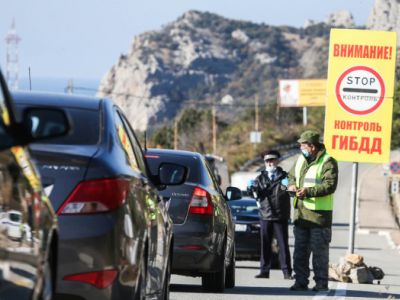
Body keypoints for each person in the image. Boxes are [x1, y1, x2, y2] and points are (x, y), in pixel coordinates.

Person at [287, 130, 338, 292]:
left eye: (303, 145)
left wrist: (308, 191)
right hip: (301, 215)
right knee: (300, 252)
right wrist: (291, 185)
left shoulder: (328, 162)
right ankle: (300, 282)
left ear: (313, 146)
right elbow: (290, 176)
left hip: (319, 217)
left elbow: (330, 185)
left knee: (319, 254)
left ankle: (321, 283)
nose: (301, 147)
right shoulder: (301, 160)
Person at [249, 150, 292, 280]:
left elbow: (290, 191)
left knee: (283, 244)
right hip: (265, 214)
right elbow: (254, 193)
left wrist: (288, 186)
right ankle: (264, 271)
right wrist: (250, 189)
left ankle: (287, 272)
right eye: (267, 161)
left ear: (277, 161)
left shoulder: (285, 177)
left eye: (272, 160)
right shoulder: (260, 178)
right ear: (264, 162)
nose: (270, 163)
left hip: (280, 215)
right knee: (265, 243)